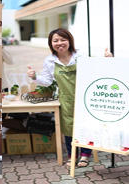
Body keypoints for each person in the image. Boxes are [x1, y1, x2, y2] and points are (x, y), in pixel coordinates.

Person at [27, 28, 112, 167]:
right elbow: (47, 81)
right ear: (51, 43)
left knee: (86, 126)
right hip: (65, 99)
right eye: (55, 40)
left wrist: (107, 60)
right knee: (68, 128)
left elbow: (96, 71)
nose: (59, 43)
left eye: (63, 39)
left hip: (84, 97)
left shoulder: (80, 56)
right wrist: (35, 76)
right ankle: (72, 155)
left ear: (69, 41)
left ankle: (85, 155)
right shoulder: (49, 61)